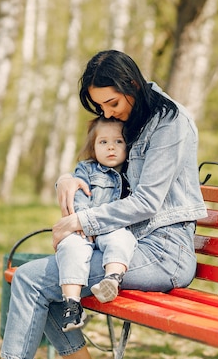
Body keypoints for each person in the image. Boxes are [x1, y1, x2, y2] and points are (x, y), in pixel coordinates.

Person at [1, 50, 207, 359]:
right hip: (128, 245)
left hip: (164, 253)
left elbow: (147, 201)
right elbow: (106, 169)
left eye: (112, 103)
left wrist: (80, 222)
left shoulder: (169, 123)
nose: (108, 114)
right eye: (100, 106)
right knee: (39, 280)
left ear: (133, 85)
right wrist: (67, 178)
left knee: (32, 281)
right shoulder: (135, 116)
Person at [57, 116, 137, 332]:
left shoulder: (133, 171)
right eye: (103, 142)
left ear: (128, 145)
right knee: (70, 247)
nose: (111, 147)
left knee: (122, 238)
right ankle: (72, 304)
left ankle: (112, 278)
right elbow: (78, 198)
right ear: (93, 147)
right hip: (84, 228)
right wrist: (83, 222)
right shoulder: (86, 169)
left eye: (118, 141)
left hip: (112, 229)